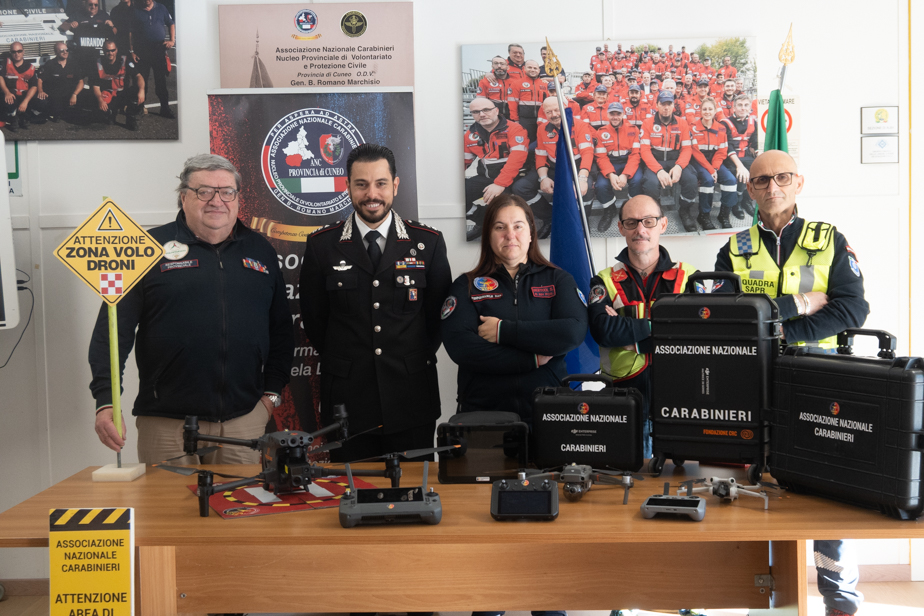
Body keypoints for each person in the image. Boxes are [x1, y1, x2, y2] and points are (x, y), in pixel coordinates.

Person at [714, 150, 868, 616]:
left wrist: (776, 332)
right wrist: (800, 303)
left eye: (782, 177)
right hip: (756, 384)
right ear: (750, 190)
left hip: (822, 383)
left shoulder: (829, 239)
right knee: (759, 486)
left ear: (799, 182)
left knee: (829, 492)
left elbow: (851, 310)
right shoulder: (733, 248)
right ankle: (765, 597)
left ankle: (838, 599)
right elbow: (728, 317)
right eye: (761, 181)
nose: (772, 186)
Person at [88, 154, 295, 464]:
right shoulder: (146, 248)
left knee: (243, 509)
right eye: (204, 191)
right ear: (183, 196)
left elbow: (281, 329)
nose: (217, 200)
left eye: (227, 192)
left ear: (237, 199)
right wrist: (106, 401)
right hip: (167, 425)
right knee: (168, 513)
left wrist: (270, 398)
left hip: (244, 422)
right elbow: (111, 332)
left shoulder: (260, 249)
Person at [300, 144, 452, 462]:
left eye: (381, 183)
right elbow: (315, 321)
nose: (372, 193)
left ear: (395, 185)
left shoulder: (428, 243)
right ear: (348, 186)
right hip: (347, 402)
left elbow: (437, 320)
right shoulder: (321, 246)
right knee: (351, 496)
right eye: (361, 184)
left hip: (411, 399)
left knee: (414, 495)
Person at [441, 193, 586, 429]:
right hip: (483, 413)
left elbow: (571, 332)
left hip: (549, 413)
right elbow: (461, 348)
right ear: (488, 235)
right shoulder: (465, 286)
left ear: (530, 233)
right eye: (500, 227)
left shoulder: (559, 280)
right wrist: (531, 358)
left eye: (518, 226)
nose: (510, 235)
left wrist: (502, 331)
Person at [588, 195, 699, 458]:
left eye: (648, 221)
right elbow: (603, 331)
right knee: (625, 487)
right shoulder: (603, 280)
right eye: (632, 222)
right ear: (621, 228)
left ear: (663, 225)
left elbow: (699, 334)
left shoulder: (691, 277)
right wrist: (667, 328)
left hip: (679, 403)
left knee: (678, 486)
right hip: (622, 403)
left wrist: (635, 340)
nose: (640, 229)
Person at [515, 97, 596, 237]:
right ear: (544, 114)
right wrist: (543, 177)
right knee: (520, 187)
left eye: (557, 110)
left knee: (585, 188)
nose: (553, 114)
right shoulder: (542, 129)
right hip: (554, 166)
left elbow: (587, 153)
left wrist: (582, 178)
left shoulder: (580, 125)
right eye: (549, 112)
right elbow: (540, 155)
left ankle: (583, 218)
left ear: (565, 107)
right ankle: (549, 218)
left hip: (577, 165)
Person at [463, 97, 529, 241]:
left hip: (513, 179)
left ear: (496, 110)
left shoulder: (515, 129)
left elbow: (517, 159)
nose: (482, 114)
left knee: (501, 210)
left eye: (486, 110)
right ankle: (482, 221)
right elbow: (464, 161)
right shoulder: (470, 134)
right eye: (476, 111)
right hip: (486, 178)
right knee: (456, 194)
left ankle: (503, 235)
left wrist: (499, 183)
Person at [638, 90, 699, 232]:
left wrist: (679, 166)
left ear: (673, 106)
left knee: (691, 179)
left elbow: (687, 149)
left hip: (675, 159)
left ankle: (684, 210)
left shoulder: (682, 123)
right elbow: (645, 150)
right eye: (663, 104)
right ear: (657, 105)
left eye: (669, 104)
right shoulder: (647, 123)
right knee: (651, 184)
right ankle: (656, 212)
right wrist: (658, 170)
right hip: (655, 160)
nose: (666, 107)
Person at [689, 97, 738, 229]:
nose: (707, 112)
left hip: (715, 161)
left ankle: (724, 214)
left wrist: (715, 167)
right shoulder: (693, 127)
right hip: (699, 161)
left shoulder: (721, 128)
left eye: (710, 109)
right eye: (704, 109)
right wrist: (711, 170)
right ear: (700, 111)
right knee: (707, 180)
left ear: (715, 111)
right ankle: (704, 215)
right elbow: (696, 152)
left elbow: (722, 151)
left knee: (731, 180)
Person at [594, 102, 643, 233]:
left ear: (623, 114)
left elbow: (635, 154)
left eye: (618, 114)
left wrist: (625, 174)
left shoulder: (634, 129)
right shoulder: (601, 132)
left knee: (638, 180)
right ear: (607, 114)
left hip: (629, 162)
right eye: (612, 114)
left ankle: (632, 209)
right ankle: (609, 210)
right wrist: (610, 174)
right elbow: (601, 156)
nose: (615, 117)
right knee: (600, 185)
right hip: (611, 163)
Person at [129, 0, 175, 118]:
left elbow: (171, 23)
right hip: (142, 50)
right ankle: (140, 108)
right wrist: (132, 50)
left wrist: (172, 40)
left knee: (161, 82)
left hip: (158, 49)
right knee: (142, 80)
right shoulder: (136, 10)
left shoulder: (161, 8)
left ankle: (165, 108)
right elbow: (131, 32)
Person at [90, 40, 144, 130]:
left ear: (116, 50)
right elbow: (95, 86)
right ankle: (111, 113)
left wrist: (141, 91)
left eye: (112, 50)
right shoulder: (97, 64)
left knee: (136, 92)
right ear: (103, 50)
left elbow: (139, 76)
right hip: (107, 94)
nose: (110, 53)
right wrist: (100, 100)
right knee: (104, 116)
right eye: (107, 50)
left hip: (122, 93)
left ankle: (131, 119)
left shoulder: (124, 60)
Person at [721, 94, 759, 219]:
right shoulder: (725, 123)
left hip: (746, 156)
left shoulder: (753, 122)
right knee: (738, 173)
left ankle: (746, 201)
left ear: (750, 108)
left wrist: (759, 155)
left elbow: (755, 143)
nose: (743, 108)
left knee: (759, 170)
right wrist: (740, 166)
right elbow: (728, 147)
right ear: (734, 108)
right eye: (740, 105)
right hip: (731, 159)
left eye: (746, 105)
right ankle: (735, 204)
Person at [34, 43, 84, 123]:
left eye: (66, 50)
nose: (65, 52)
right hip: (54, 95)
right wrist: (40, 91)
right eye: (62, 50)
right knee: (51, 108)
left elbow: (81, 82)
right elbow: (40, 79)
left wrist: (75, 94)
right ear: (56, 52)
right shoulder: (50, 64)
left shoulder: (73, 64)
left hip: (69, 94)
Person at [0, 42, 37, 132]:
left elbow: (34, 86)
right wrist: (6, 92)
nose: (17, 54)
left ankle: (25, 117)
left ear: (23, 51)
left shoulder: (31, 67)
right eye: (14, 52)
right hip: (11, 93)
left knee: (41, 101)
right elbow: (0, 77)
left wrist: (26, 101)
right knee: (8, 100)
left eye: (19, 51)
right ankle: (13, 119)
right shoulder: (6, 63)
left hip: (24, 94)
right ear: (11, 53)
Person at [510, 59, 548, 143]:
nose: (532, 70)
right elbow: (512, 103)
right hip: (525, 120)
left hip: (541, 119)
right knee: (527, 141)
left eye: (535, 68)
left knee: (542, 140)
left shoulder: (545, 84)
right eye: (530, 67)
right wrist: (515, 120)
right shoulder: (517, 84)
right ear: (524, 69)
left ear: (539, 70)